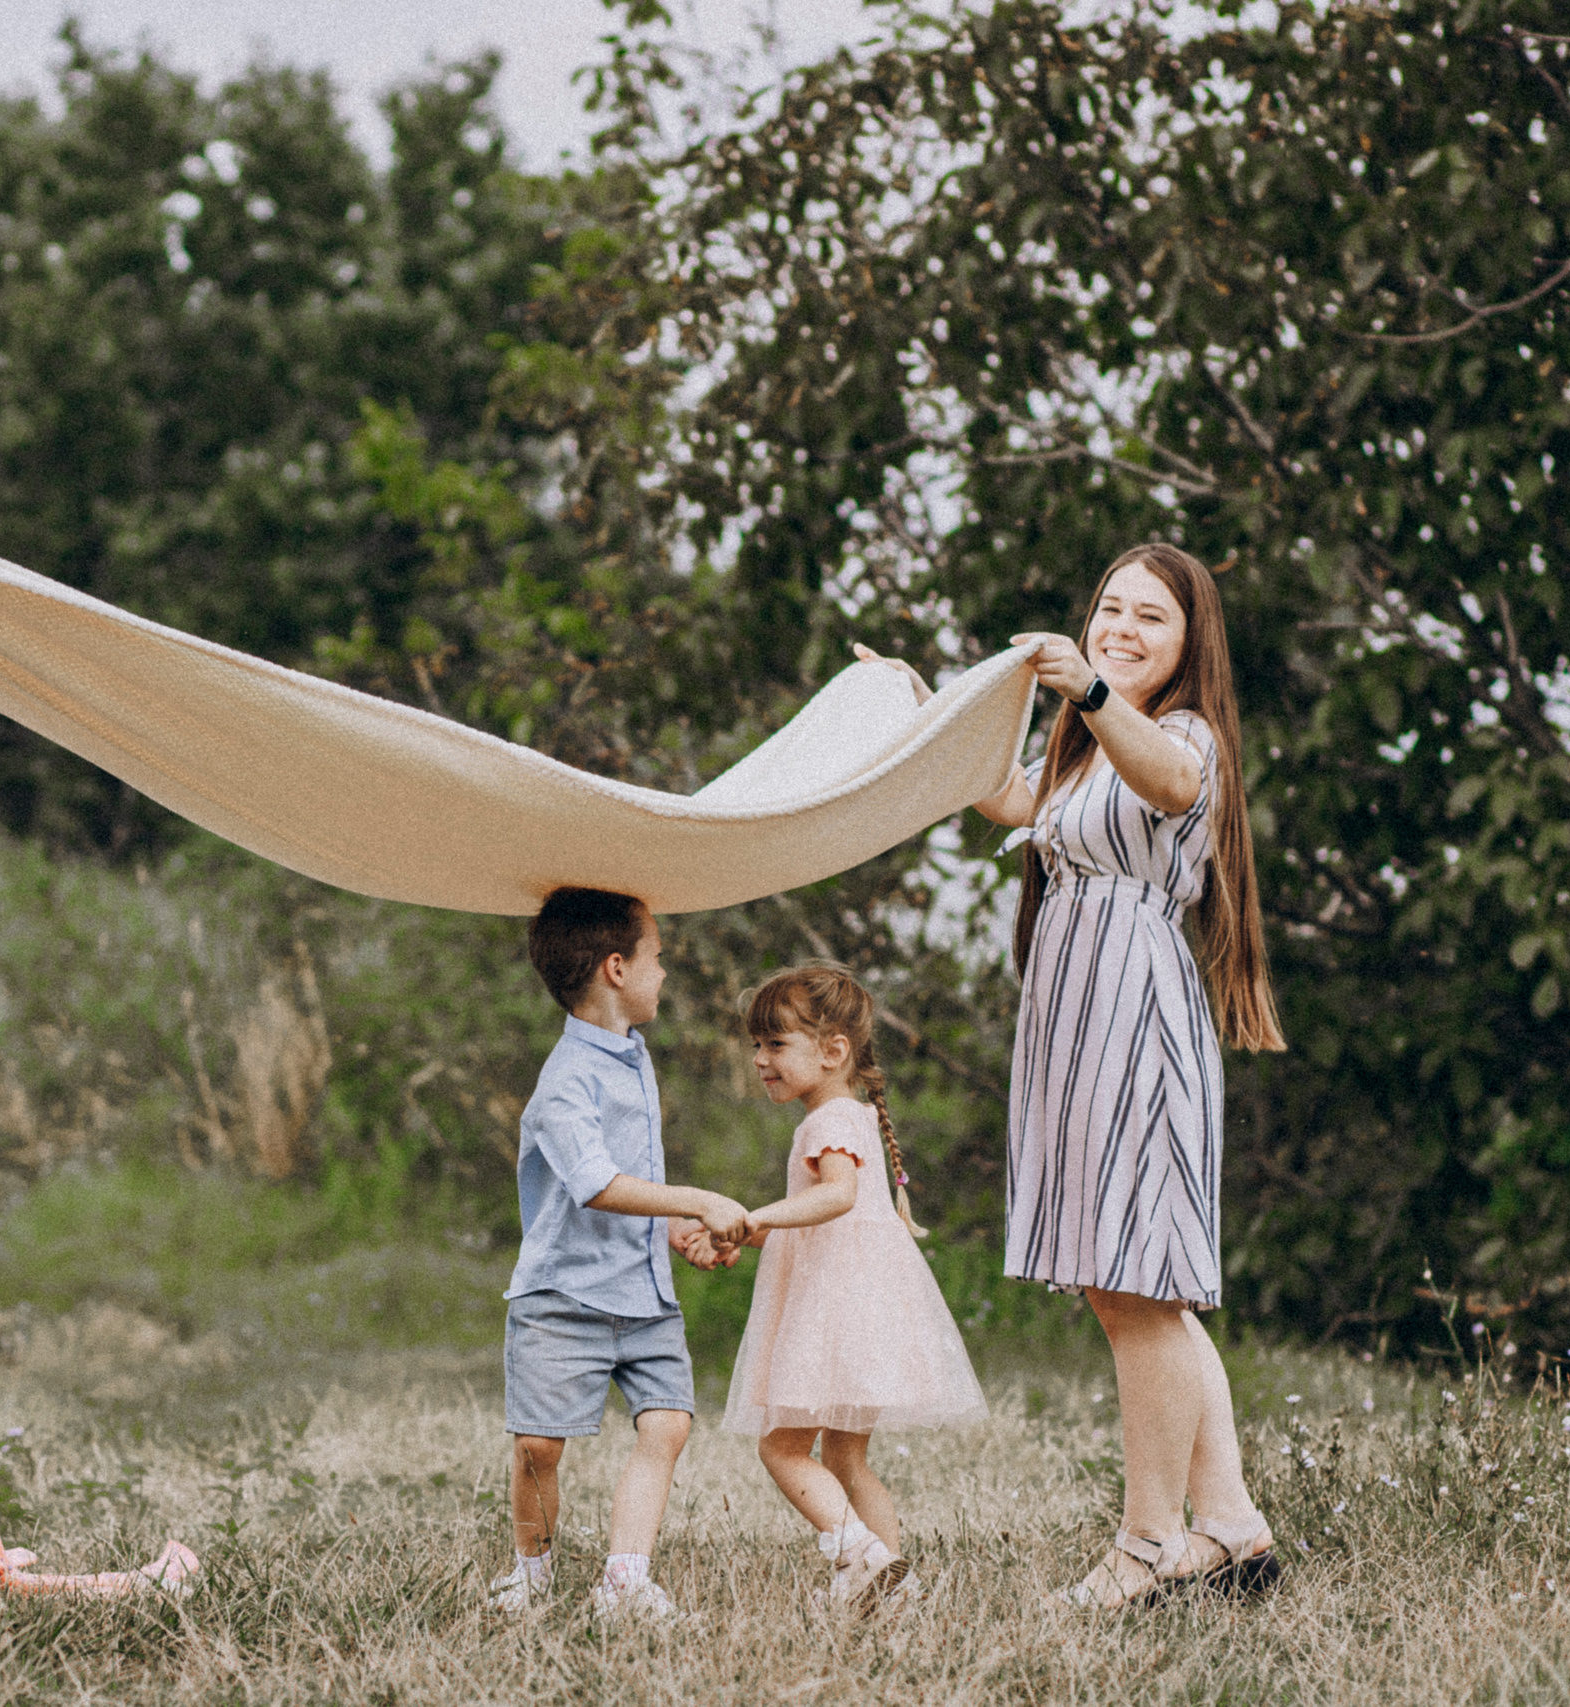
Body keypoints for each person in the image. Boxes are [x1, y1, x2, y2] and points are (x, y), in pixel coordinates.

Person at [878, 542, 1286, 1607]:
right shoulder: (1086, 750)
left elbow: (1172, 780)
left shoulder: (1175, 735)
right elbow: (1010, 800)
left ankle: (1148, 1545)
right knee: (1126, 1284)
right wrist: (928, 716)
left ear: (1189, 642)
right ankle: (1232, 1528)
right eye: (1110, 608)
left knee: (1139, 1281)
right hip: (1072, 1013)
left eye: (1151, 617)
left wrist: (1092, 686)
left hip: (1135, 1014)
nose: (1122, 627)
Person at [485, 886, 750, 1620]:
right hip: (563, 1295)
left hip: (643, 1293)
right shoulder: (565, 1080)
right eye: (656, 956)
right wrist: (698, 1199)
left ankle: (626, 1580)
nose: (664, 972)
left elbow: (638, 1170)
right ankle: (531, 1572)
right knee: (539, 1444)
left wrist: (672, 1229)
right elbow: (597, 1183)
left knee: (667, 1424)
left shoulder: (634, 1058)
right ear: (615, 968)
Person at [721, 963, 986, 1615]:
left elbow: (835, 1198)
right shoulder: (854, 1115)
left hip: (835, 1312)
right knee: (845, 1458)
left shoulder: (827, 1123)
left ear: (834, 1050)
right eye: (756, 1044)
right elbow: (818, 1222)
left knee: (781, 1446)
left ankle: (859, 1556)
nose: (759, 1059)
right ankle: (893, 1588)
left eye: (775, 1043)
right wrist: (745, 1234)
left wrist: (756, 1215)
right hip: (864, 1310)